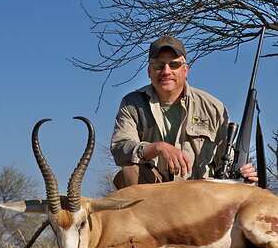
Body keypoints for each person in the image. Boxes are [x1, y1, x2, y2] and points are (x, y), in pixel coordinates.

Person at [110, 35, 258, 189]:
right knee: (130, 172)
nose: (166, 71)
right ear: (149, 71)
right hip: (154, 196)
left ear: (185, 70)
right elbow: (120, 149)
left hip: (200, 195)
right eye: (158, 65)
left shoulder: (213, 108)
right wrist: (157, 147)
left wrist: (243, 174)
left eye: (174, 64)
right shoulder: (132, 103)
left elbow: (226, 163)